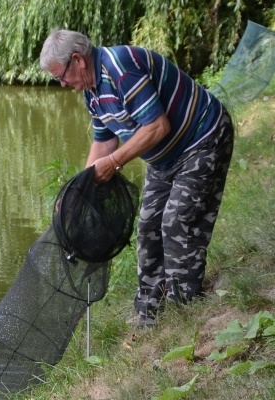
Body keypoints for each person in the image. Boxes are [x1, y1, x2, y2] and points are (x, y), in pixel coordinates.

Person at [40, 29, 234, 328]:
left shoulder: (120, 69)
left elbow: (157, 127)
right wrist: (79, 191)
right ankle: (150, 313)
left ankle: (185, 312)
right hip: (163, 159)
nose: (64, 84)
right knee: (148, 228)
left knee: (177, 222)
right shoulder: (92, 90)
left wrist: (114, 163)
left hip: (202, 140)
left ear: (77, 59)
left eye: (62, 76)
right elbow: (104, 141)